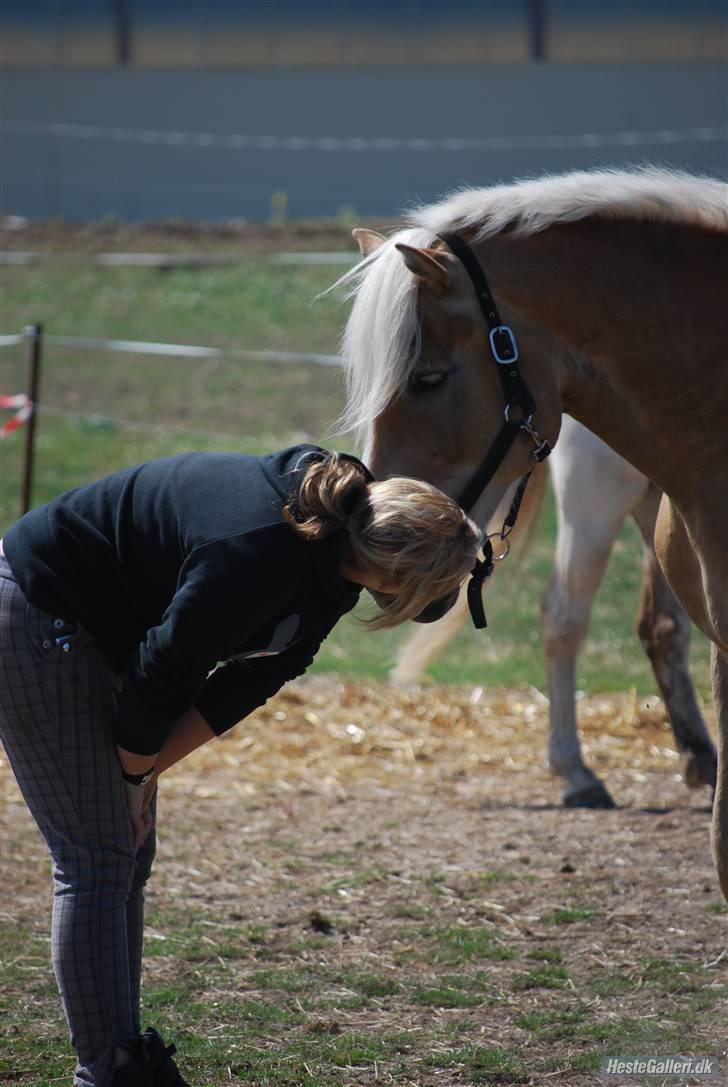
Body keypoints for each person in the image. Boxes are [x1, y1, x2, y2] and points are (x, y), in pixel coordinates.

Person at [0, 443, 481, 1087]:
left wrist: (140, 778)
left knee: (125, 851)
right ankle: (109, 1070)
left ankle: (123, 1050)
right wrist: (133, 777)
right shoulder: (260, 554)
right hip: (36, 611)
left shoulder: (339, 544)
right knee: (96, 857)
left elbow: (255, 677)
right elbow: (163, 674)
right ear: (393, 581)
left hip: (98, 631)